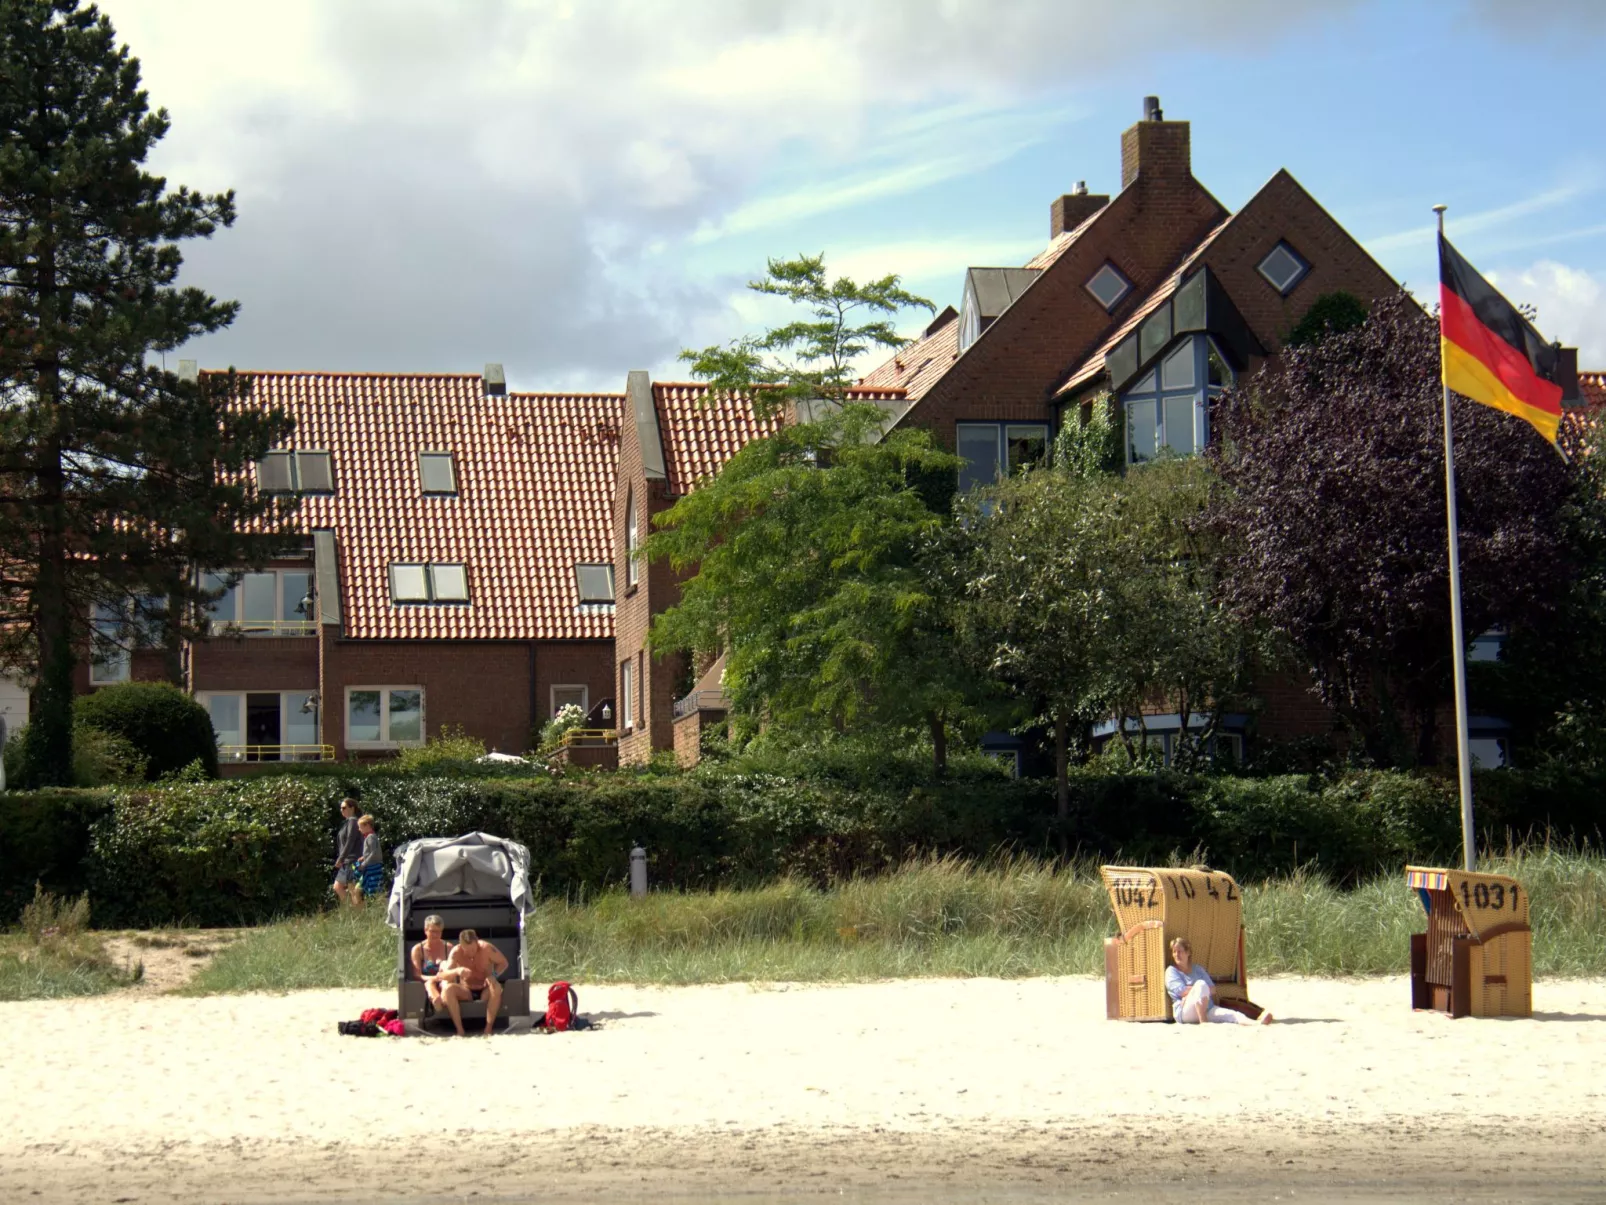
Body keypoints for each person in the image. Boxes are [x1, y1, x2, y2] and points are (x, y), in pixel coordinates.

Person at [1165, 936, 1272, 1025]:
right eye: (1174, 952)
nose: (1176, 955)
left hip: (1207, 1008)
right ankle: (1203, 1022)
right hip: (1185, 1012)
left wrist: (1194, 992)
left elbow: (1213, 989)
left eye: (1180, 951)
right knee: (1201, 984)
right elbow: (1181, 991)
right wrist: (1197, 991)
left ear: (1188, 952)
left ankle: (1256, 1023)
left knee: (1232, 1014)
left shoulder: (1198, 969)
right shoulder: (1172, 971)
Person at [439, 928, 508, 1037]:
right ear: (461, 946)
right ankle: (460, 1030)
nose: (471, 953)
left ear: (477, 942)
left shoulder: (486, 948)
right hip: (467, 990)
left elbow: (503, 963)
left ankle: (488, 1028)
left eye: (473, 949)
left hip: (485, 989)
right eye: (467, 950)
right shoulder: (456, 952)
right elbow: (442, 975)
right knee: (449, 989)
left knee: (497, 987)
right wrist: (457, 971)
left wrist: (493, 975)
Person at [409, 915, 452, 1012]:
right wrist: (434, 978)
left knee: (444, 971)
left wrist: (442, 977)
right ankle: (437, 1001)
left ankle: (443, 1002)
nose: (436, 935)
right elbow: (417, 975)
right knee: (430, 983)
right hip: (427, 982)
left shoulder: (448, 948)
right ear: (425, 930)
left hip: (445, 981)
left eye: (439, 932)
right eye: (433, 931)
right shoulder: (418, 949)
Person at [331, 799, 362, 904]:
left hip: (352, 860)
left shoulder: (353, 821)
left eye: (344, 808)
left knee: (353, 889)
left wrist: (341, 859)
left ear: (352, 808)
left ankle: (358, 915)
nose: (341, 810)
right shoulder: (348, 822)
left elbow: (350, 841)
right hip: (346, 861)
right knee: (338, 886)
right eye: (341, 808)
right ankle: (353, 912)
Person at [351, 814, 384, 908]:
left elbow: (373, 852)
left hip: (373, 867)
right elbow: (370, 852)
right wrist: (363, 857)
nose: (359, 829)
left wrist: (364, 864)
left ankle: (368, 909)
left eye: (360, 827)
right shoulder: (370, 837)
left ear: (367, 825)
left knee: (372, 889)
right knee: (360, 889)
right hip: (370, 864)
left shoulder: (370, 837)